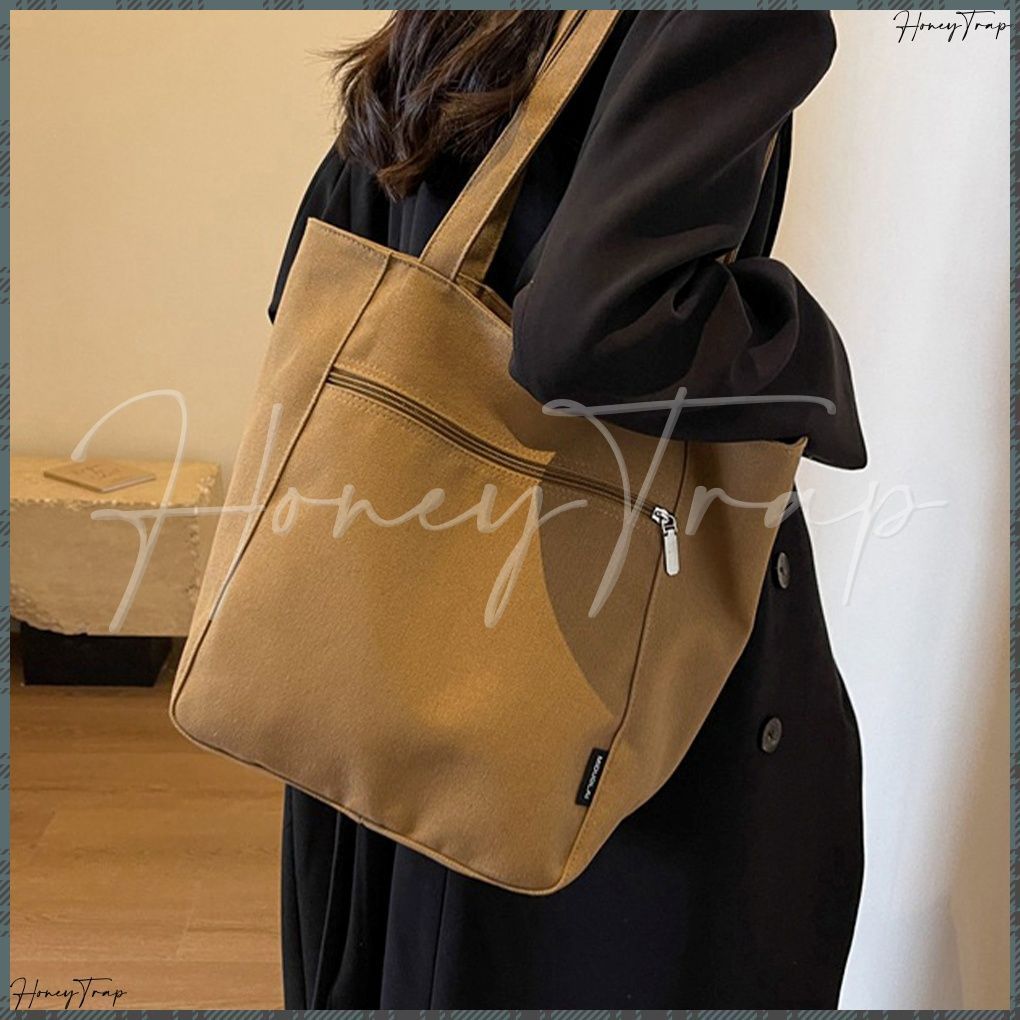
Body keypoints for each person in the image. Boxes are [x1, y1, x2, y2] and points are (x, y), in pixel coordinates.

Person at [269, 11, 866, 1008]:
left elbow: (314, 266)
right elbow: (589, 330)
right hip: (581, 660)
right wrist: (805, 356)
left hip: (392, 624)